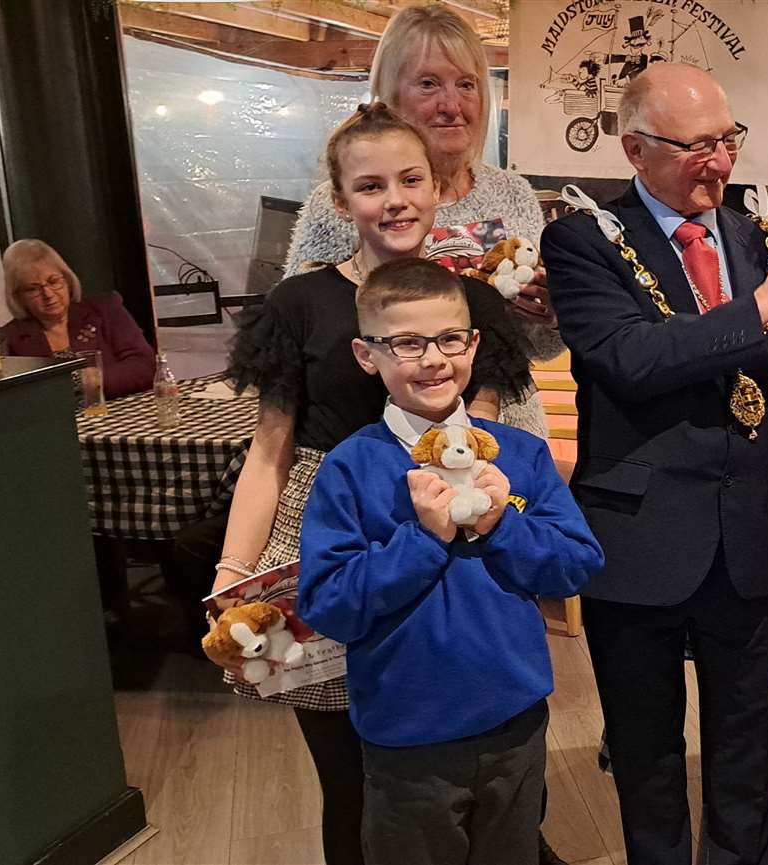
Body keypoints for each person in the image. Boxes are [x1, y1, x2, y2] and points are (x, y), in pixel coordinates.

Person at [210, 102, 528, 865]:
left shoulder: (474, 307)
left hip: (440, 524)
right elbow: (269, 453)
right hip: (327, 534)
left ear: (438, 188)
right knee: (348, 774)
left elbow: (480, 440)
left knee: (444, 765)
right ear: (340, 199)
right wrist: (232, 572)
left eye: (411, 179)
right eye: (371, 185)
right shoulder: (298, 303)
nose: (396, 200)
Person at [541, 62, 768, 865]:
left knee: (745, 755)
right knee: (647, 755)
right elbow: (629, 358)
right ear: (635, 150)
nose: (719, 162)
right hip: (638, 540)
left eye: (726, 140)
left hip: (750, 534)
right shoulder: (582, 241)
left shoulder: (755, 236)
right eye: (695, 146)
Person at [298, 257, 603, 865]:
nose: (433, 359)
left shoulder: (520, 454)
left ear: (474, 344)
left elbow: (576, 563)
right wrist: (422, 541)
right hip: (406, 735)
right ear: (368, 355)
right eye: (407, 343)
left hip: (514, 723)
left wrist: (499, 525)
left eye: (448, 339)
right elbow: (328, 604)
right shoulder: (349, 468)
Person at [284, 4, 559, 439]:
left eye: (466, 84)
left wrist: (549, 314)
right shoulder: (340, 205)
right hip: (377, 438)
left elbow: (537, 350)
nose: (451, 104)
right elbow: (307, 337)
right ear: (390, 96)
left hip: (504, 435)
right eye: (428, 84)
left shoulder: (512, 193)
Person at [0, 238, 155, 399]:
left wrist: (96, 380)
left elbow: (145, 366)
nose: (48, 294)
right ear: (18, 297)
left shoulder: (106, 309)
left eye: (54, 281)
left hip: (122, 416)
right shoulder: (11, 337)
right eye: (33, 289)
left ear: (67, 280)